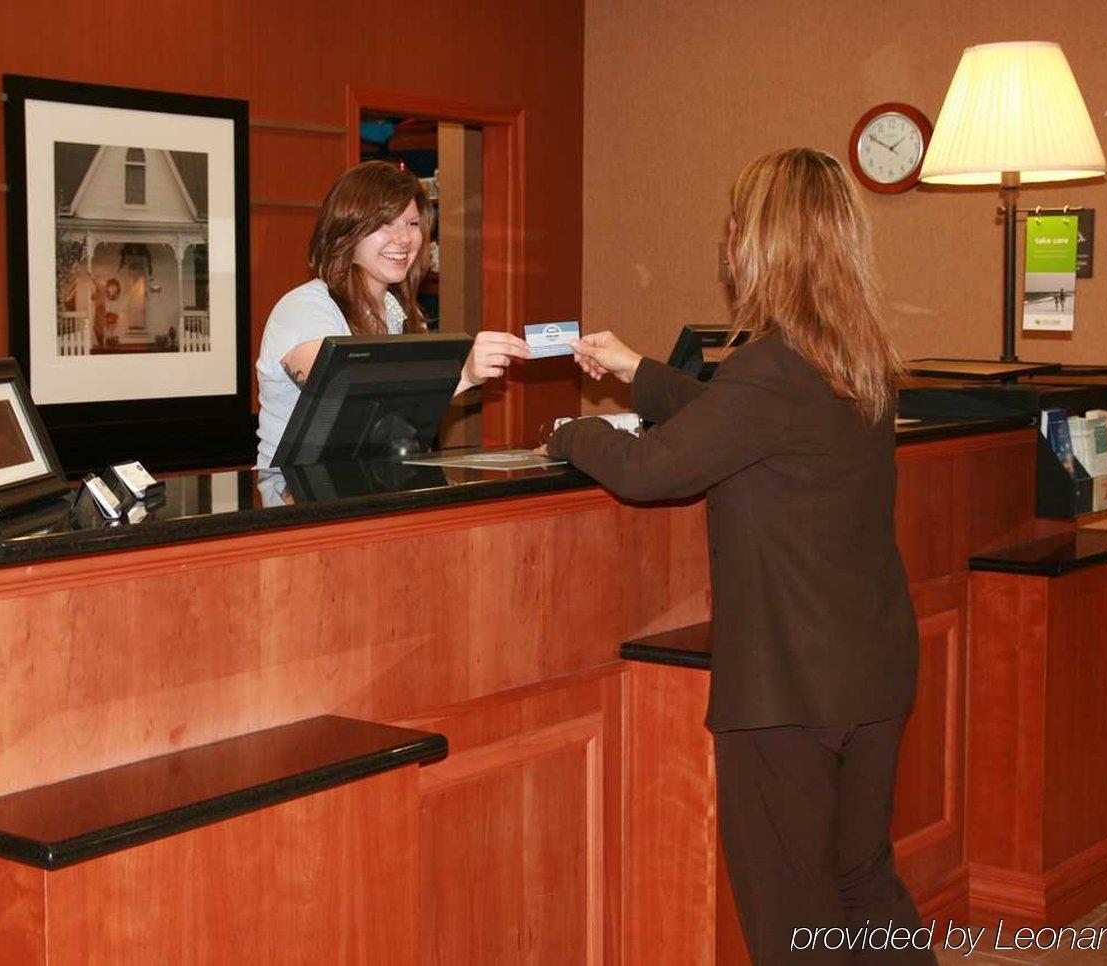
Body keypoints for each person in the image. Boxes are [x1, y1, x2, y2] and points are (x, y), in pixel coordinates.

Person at [548, 148, 931, 964]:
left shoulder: (769, 370)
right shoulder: (858, 361)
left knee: (792, 917)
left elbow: (653, 469)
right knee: (862, 881)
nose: (726, 240)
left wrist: (569, 433)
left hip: (790, 691)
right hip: (872, 671)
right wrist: (637, 372)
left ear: (762, 244)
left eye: (735, 225)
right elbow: (740, 419)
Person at [255, 160, 530, 466]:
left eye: (412, 224)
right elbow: (349, 398)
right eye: (385, 224)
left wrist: (465, 374)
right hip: (294, 494)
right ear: (347, 230)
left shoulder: (395, 310)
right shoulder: (304, 308)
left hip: (368, 485)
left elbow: (399, 410)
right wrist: (461, 372)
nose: (403, 238)